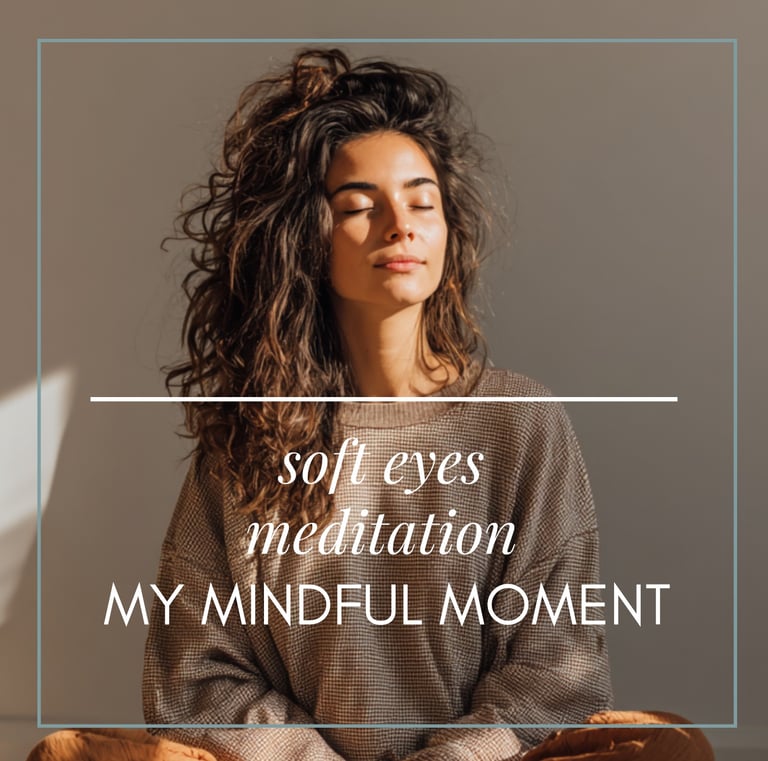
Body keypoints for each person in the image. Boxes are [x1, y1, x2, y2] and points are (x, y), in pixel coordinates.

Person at [142, 48, 612, 761]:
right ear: (303, 236)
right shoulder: (249, 438)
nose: (401, 224)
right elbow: (194, 675)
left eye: (423, 201)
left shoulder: (520, 422)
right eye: (360, 206)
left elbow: (558, 668)